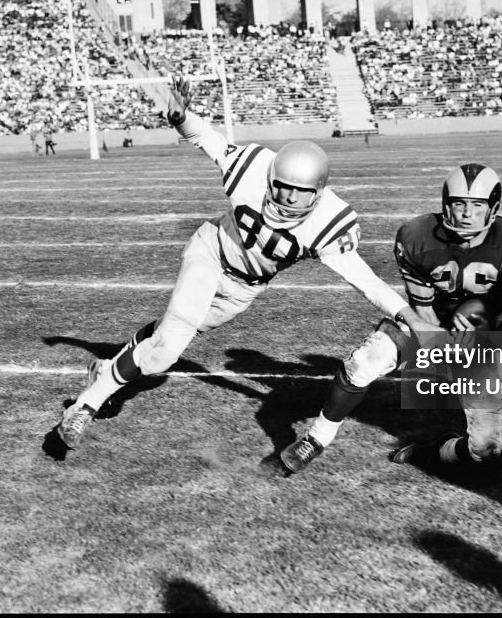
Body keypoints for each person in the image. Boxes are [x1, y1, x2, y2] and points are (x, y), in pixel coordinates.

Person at [56, 76, 444, 451]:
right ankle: (84, 406)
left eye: (301, 192)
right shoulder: (251, 172)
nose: (290, 199)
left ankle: (108, 368)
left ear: (320, 192)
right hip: (211, 254)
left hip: (244, 289)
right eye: (284, 188)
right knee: (165, 352)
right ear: (270, 178)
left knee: (165, 334)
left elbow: (366, 282)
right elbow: (208, 140)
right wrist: (180, 117)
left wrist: (412, 319)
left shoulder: (329, 223)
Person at [280, 163, 502, 475]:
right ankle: (316, 438)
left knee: (484, 451)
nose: (466, 214)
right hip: (426, 323)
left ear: (493, 208)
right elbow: (422, 308)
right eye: (458, 204)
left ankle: (432, 452)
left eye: (476, 205)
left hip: (484, 340)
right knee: (364, 362)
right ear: (446, 204)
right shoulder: (416, 237)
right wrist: (442, 345)